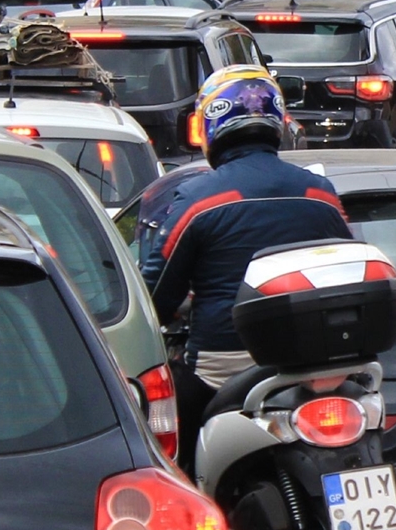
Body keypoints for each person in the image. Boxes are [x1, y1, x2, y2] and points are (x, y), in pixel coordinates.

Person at [142, 67, 353, 435]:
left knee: (167, 442)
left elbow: (157, 294)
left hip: (220, 368)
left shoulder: (198, 199)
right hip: (309, 364)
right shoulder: (321, 193)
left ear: (211, 123)